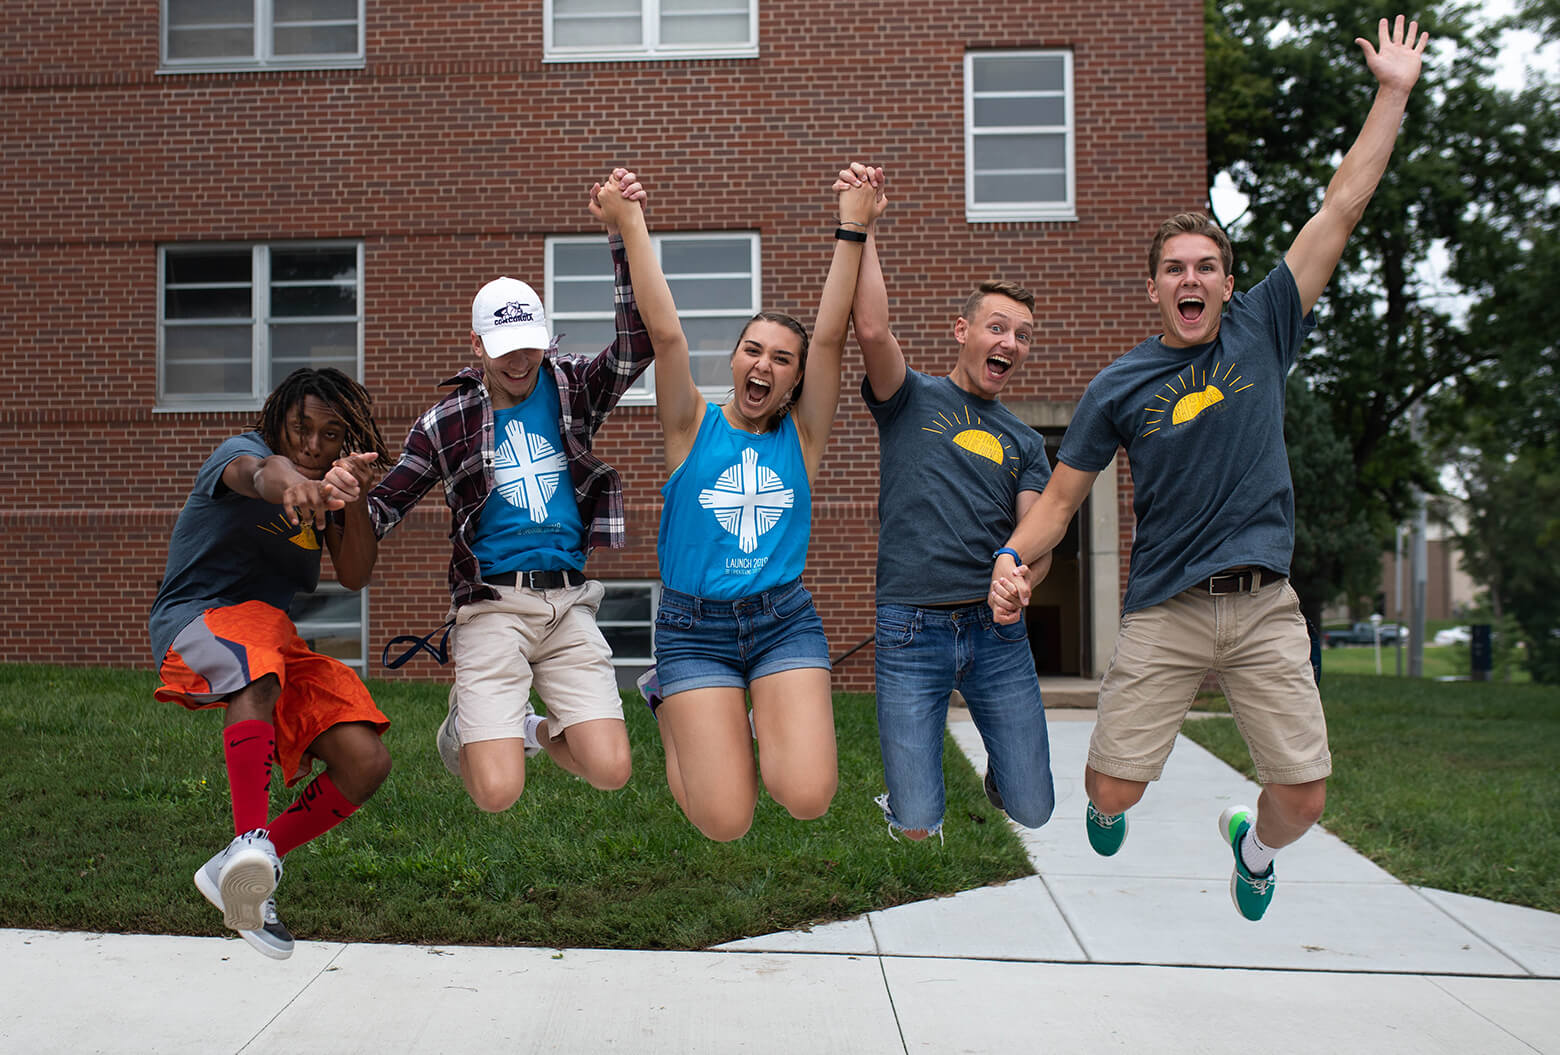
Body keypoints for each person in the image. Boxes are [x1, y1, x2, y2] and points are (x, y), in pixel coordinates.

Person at [988, 16, 1430, 920]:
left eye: (1208, 266)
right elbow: (1063, 501)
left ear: (1229, 282)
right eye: (1173, 269)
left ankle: (1252, 847)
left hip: (1265, 603)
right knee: (1111, 794)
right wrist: (1014, 558)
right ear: (1152, 287)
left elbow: (1340, 206)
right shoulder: (1120, 384)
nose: (1192, 279)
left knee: (1303, 796)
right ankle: (1116, 799)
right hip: (1167, 607)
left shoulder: (1265, 325)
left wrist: (1392, 93)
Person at [595, 166, 882, 841]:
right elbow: (666, 336)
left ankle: (747, 722)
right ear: (734, 359)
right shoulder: (690, 424)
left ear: (794, 380)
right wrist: (630, 222)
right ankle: (670, 700)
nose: (766, 364)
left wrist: (853, 226)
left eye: (783, 359)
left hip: (783, 619)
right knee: (723, 821)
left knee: (807, 795)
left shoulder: (803, 437)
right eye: (753, 349)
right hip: (695, 631)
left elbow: (834, 337)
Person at [366, 172, 652, 813]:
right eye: (503, 351)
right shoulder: (445, 423)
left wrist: (620, 234)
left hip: (568, 603)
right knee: (495, 794)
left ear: (546, 338)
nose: (519, 362)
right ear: (476, 346)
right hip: (492, 607)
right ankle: (465, 727)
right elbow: (383, 507)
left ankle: (525, 728)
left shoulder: (573, 387)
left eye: (529, 347)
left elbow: (637, 347)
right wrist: (330, 503)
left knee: (609, 770)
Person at [834, 163, 1057, 842]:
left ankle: (1002, 773)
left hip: (996, 636)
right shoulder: (912, 399)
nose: (1009, 343)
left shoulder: (1025, 441)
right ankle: (907, 799)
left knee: (1033, 808)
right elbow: (871, 332)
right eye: (998, 327)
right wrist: (863, 227)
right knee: (917, 823)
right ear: (962, 330)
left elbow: (1035, 538)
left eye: (1021, 335)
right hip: (909, 629)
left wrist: (1022, 582)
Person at [150, 367, 391, 960]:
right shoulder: (242, 454)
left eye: (330, 435)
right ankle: (248, 838)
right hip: (199, 618)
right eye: (300, 428)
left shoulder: (332, 493)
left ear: (346, 442)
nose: (311, 445)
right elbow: (263, 473)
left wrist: (353, 501)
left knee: (365, 760)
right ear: (278, 422)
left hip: (273, 641)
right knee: (259, 657)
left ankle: (246, 872)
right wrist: (289, 483)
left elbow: (356, 575)